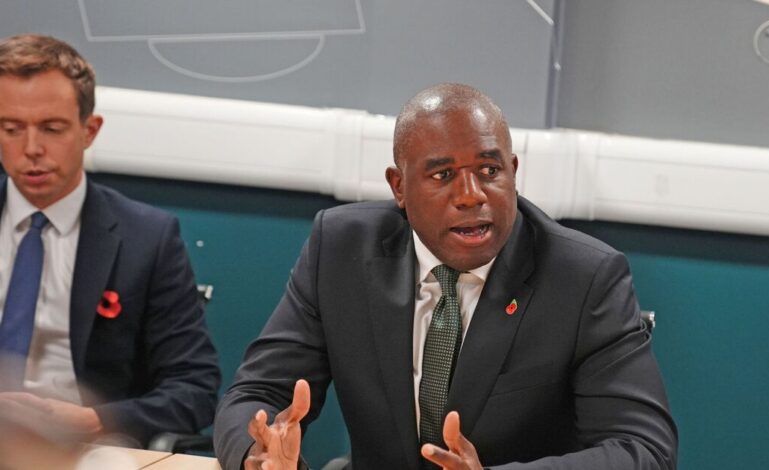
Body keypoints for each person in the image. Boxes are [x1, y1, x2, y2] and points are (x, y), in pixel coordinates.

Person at [214, 83, 677, 469]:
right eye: (443, 175)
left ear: (513, 173)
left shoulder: (583, 277)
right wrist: (258, 454)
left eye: (489, 170)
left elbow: (644, 449)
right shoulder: (340, 249)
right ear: (399, 186)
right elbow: (257, 392)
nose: (471, 195)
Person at [0, 34, 220, 447]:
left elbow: (194, 389)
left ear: (89, 130)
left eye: (52, 129)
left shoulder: (147, 239)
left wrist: (96, 420)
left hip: (81, 450)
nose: (31, 149)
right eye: (11, 129)